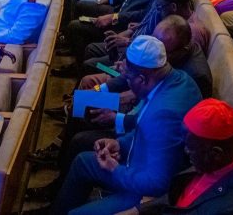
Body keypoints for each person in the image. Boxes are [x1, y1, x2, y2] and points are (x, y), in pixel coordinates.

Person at [48, 36, 202, 214]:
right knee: (83, 159)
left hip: (145, 192)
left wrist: (115, 170)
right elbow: (144, 129)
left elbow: (157, 184)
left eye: (128, 79)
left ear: (141, 79)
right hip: (139, 157)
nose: (127, 83)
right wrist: (119, 143)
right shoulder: (179, 78)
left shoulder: (163, 113)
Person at [129, 98, 233, 215]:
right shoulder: (229, 152)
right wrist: (138, 211)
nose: (186, 151)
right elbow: (183, 194)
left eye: (190, 148)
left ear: (216, 154)